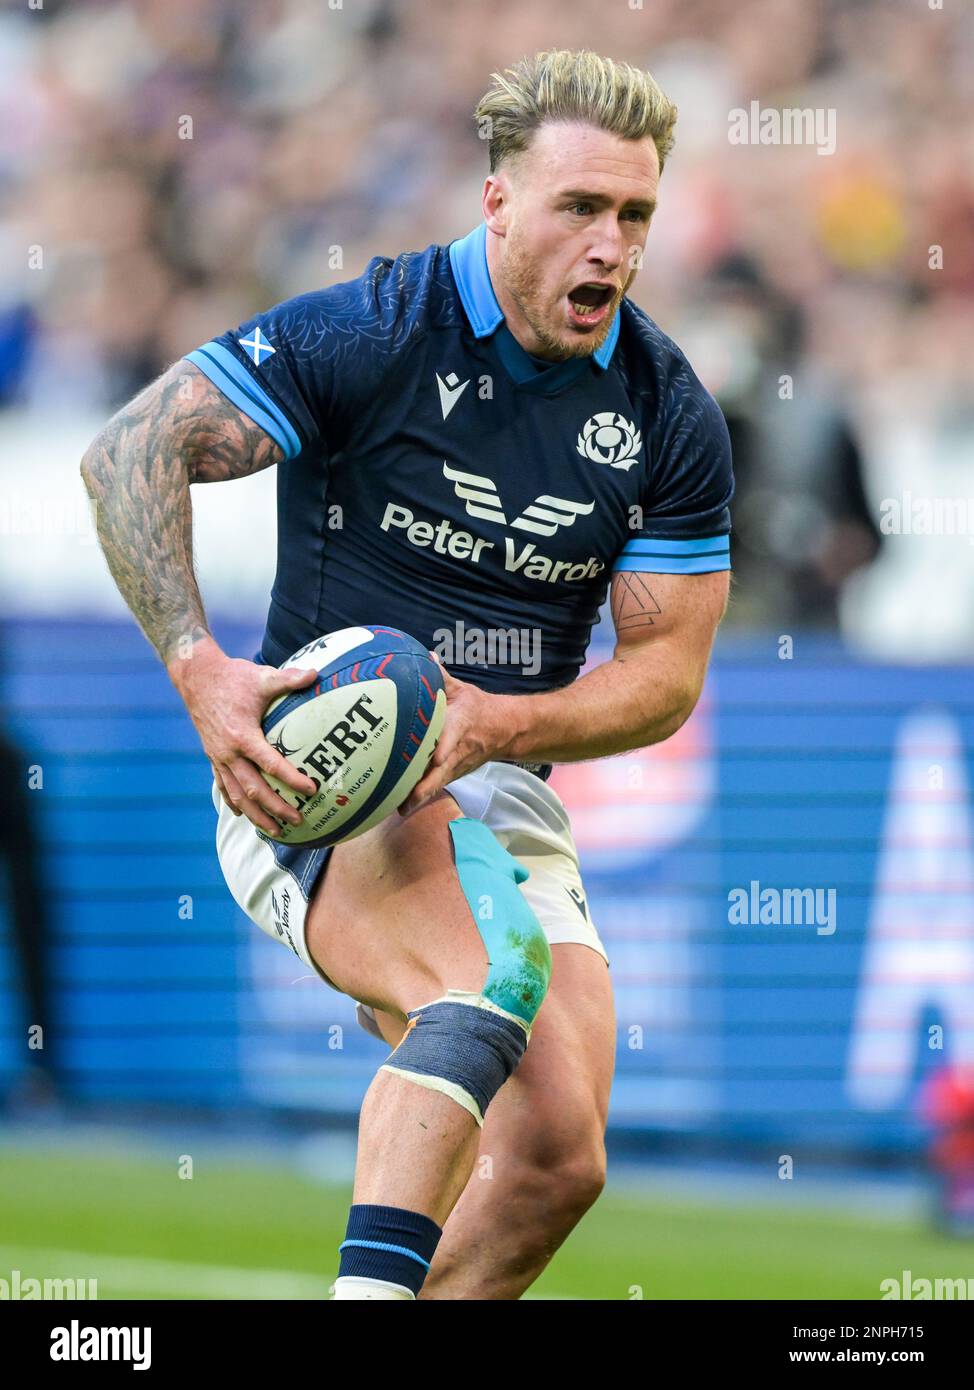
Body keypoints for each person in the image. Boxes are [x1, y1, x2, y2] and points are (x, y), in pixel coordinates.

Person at [81, 49, 733, 1300]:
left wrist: (505, 723)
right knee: (479, 980)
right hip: (323, 773)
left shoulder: (663, 412)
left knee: (556, 1155)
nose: (610, 246)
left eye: (634, 215)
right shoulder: (373, 331)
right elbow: (128, 456)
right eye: (578, 208)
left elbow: (663, 675)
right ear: (495, 203)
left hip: (498, 777)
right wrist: (199, 669)